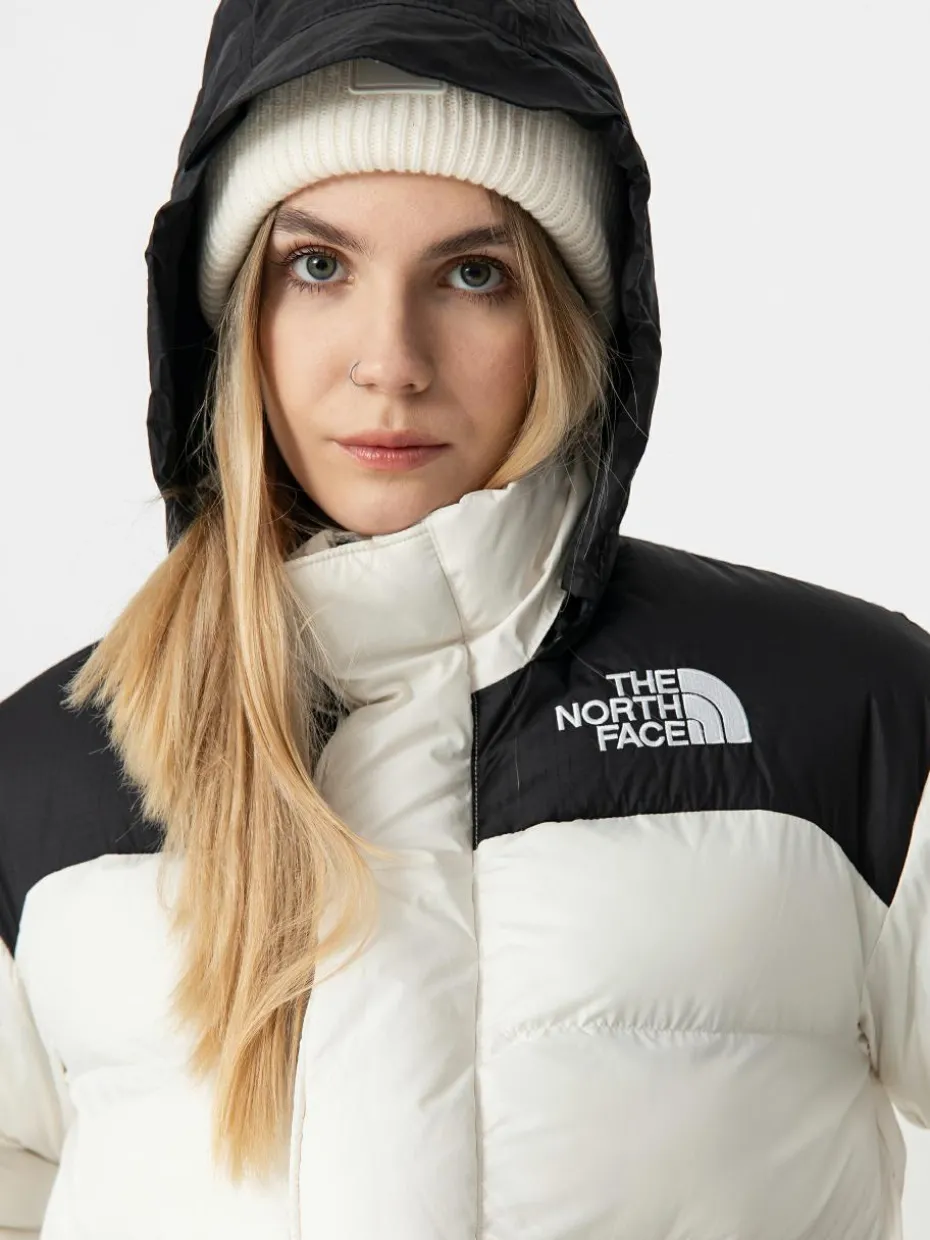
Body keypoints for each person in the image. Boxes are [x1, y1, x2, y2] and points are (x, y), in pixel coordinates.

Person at [1, 1, 929, 1237]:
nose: (391, 359)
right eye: (317, 266)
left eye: (474, 274)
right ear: (231, 318)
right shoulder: (39, 785)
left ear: (566, 318)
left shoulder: (842, 717)